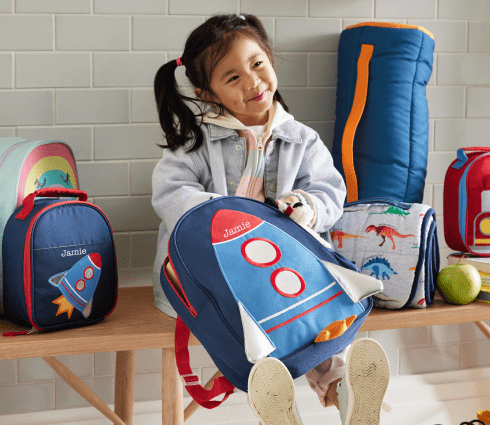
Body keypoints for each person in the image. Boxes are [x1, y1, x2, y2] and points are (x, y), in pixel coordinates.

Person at [151, 13, 390, 424]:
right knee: (255, 323)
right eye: (232, 78)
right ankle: (276, 398)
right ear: (208, 94)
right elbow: (172, 195)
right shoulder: (194, 143)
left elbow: (330, 192)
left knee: (313, 311)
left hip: (282, 267)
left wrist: (307, 208)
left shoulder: (301, 139)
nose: (252, 82)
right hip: (218, 272)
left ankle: (343, 390)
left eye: (257, 64)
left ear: (270, 61)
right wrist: (223, 215)